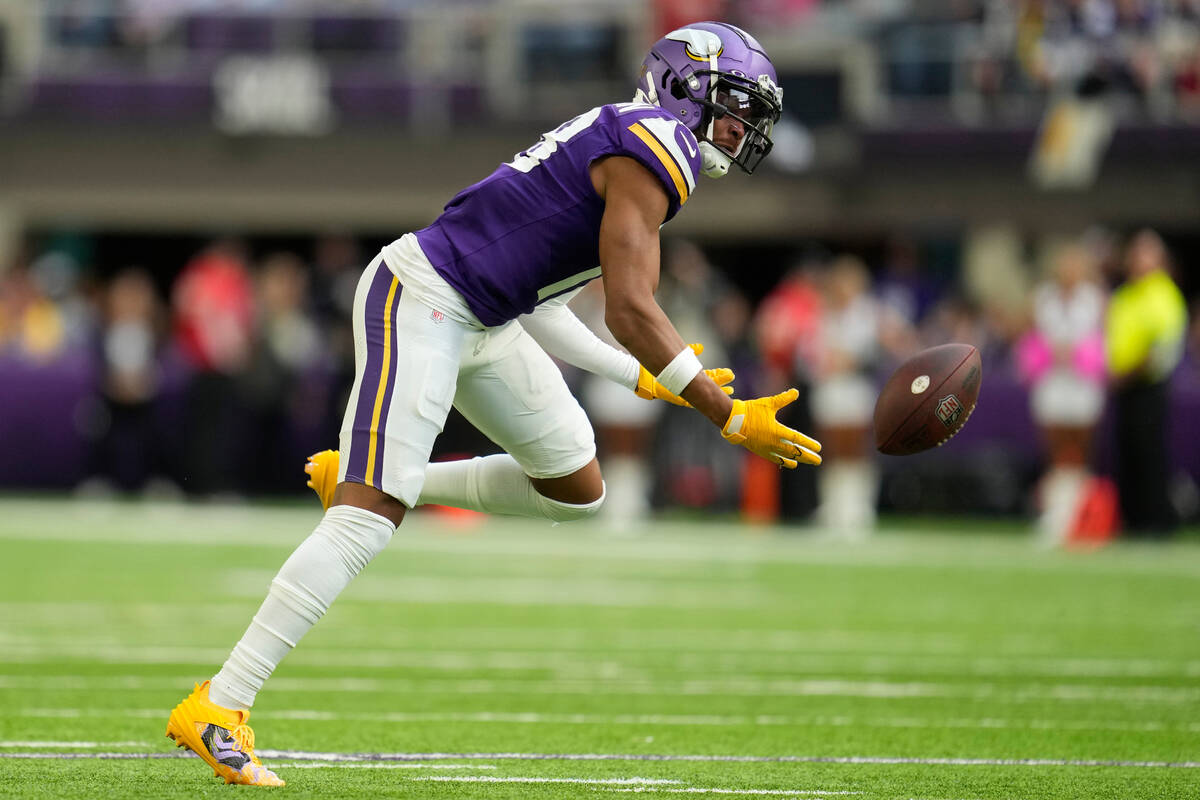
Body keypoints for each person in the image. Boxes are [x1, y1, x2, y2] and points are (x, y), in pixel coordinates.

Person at [165, 22, 821, 786]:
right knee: (365, 522)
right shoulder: (656, 143)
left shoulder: (627, 138)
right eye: (735, 109)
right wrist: (724, 412)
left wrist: (630, 376)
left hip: (485, 316)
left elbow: (547, 301)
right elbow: (635, 308)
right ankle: (221, 702)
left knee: (575, 485)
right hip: (424, 296)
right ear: (687, 87)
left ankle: (364, 468)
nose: (742, 133)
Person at [1016, 242, 1107, 544]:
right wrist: (1047, 353)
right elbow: (1028, 334)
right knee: (1054, 452)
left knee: (1079, 451)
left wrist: (1081, 354)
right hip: (1052, 382)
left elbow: (1104, 336)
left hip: (1083, 384)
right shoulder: (1042, 298)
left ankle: (1079, 517)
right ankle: (1056, 515)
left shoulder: (1095, 299)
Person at [1105, 228, 1188, 537]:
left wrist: (1128, 373)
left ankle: (1156, 520)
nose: (1138, 259)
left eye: (1146, 253)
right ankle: (1132, 519)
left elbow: (1161, 347)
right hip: (1123, 387)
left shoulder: (1162, 293)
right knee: (1126, 451)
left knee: (1148, 451)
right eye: (1136, 252)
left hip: (1148, 386)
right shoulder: (1125, 294)